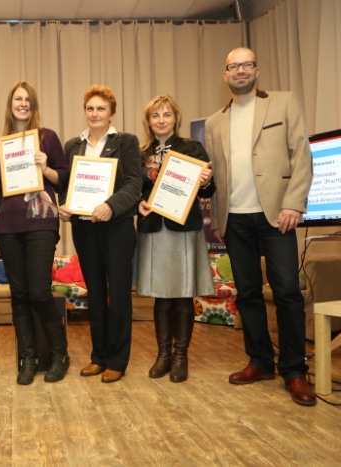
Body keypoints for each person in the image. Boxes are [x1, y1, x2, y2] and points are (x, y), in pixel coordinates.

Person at [205, 47, 315, 406]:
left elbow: (301, 156)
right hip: (234, 219)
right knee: (248, 294)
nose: (240, 70)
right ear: (225, 74)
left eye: (246, 64)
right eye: (233, 66)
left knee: (287, 293)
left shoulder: (283, 103)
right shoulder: (214, 122)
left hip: (277, 215)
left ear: (256, 70)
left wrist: (293, 203)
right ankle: (260, 361)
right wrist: (218, 219)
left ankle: (295, 370)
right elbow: (216, 176)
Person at [59, 84, 141, 383]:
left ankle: (117, 360)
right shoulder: (72, 146)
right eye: (90, 108)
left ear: (112, 113)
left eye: (101, 108)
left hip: (116, 228)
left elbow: (134, 184)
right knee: (94, 294)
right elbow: (65, 186)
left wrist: (110, 206)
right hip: (84, 229)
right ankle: (99, 357)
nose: (95, 113)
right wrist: (64, 205)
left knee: (118, 295)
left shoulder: (126, 142)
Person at [0, 81, 70, 385]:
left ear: (33, 105)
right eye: (17, 99)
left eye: (27, 99)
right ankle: (27, 359)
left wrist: (45, 167)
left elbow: (63, 178)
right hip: (9, 227)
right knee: (20, 294)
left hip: (41, 223)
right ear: (10, 104)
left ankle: (60, 355)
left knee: (39, 292)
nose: (22, 103)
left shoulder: (47, 138)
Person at [137, 94, 215, 383]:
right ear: (148, 121)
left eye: (166, 114)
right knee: (161, 296)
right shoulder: (140, 153)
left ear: (176, 118)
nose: (161, 120)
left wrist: (206, 181)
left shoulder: (191, 148)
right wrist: (138, 203)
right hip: (154, 228)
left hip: (183, 228)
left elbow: (208, 191)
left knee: (183, 294)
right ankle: (163, 355)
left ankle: (180, 356)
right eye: (155, 115)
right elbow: (133, 189)